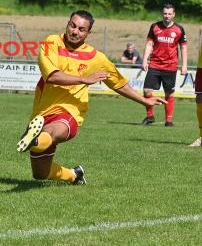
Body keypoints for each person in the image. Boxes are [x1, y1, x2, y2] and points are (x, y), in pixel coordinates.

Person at [16, 10, 165, 185]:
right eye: (72, 25)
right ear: (67, 23)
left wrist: (145, 100)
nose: (75, 31)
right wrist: (83, 79)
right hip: (42, 113)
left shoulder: (96, 58)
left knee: (55, 131)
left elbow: (118, 83)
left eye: (81, 29)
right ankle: (74, 175)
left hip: (69, 111)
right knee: (40, 174)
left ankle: (33, 138)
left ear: (88, 33)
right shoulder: (52, 42)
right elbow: (52, 76)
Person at [141, 3, 188, 127]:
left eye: (169, 14)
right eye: (165, 13)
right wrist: (145, 60)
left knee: (169, 93)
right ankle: (150, 117)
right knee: (146, 91)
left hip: (170, 66)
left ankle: (168, 120)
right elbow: (149, 44)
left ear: (173, 14)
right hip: (155, 64)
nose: (167, 16)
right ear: (162, 14)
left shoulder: (179, 29)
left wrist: (184, 65)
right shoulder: (154, 27)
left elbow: (183, 47)